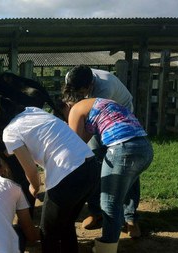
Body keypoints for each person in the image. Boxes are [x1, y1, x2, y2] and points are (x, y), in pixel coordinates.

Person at [0, 95, 100, 253]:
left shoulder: (10, 132)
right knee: (66, 224)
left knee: (48, 233)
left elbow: (31, 170)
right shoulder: (33, 111)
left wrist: (34, 187)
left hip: (68, 174)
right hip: (90, 166)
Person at [59, 97, 153, 253]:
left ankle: (106, 248)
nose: (68, 120)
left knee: (109, 203)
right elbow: (83, 143)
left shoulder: (75, 109)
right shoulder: (101, 104)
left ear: (67, 105)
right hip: (144, 148)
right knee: (120, 194)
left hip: (122, 149)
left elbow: (73, 146)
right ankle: (128, 222)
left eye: (65, 116)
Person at [64, 64, 142, 238]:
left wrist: (71, 148)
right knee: (94, 162)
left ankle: (130, 218)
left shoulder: (104, 87)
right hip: (94, 118)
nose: (81, 94)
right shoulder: (71, 77)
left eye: (83, 91)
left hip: (120, 118)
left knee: (125, 167)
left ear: (90, 85)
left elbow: (89, 124)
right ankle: (96, 212)